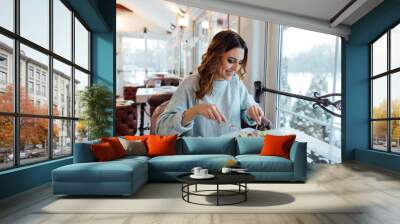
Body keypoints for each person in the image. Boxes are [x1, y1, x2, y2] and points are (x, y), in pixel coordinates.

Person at [156, 30, 264, 137]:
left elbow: (249, 108)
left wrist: (251, 112)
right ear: (216, 57)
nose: (236, 68)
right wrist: (195, 110)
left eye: (240, 62)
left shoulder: (235, 82)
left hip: (231, 152)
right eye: (231, 61)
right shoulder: (191, 83)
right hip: (199, 153)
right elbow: (161, 129)